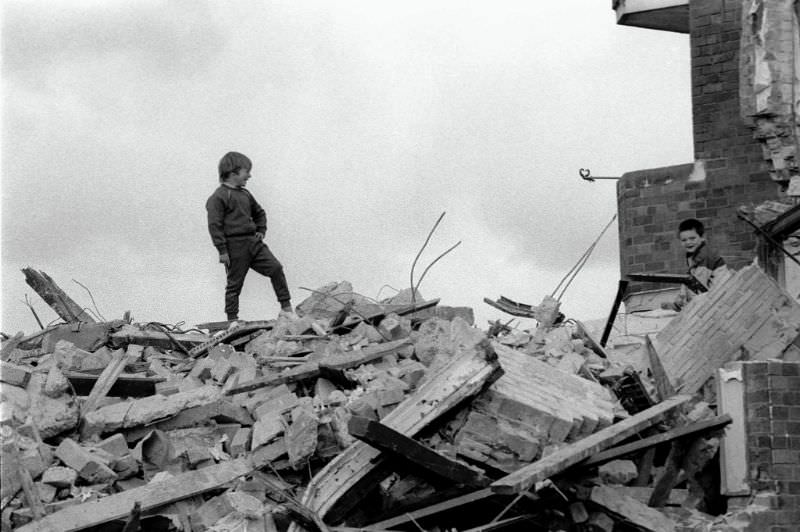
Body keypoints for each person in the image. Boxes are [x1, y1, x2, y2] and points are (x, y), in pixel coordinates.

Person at [206, 151, 293, 321]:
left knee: (276, 268)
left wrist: (261, 230)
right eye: (246, 172)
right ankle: (232, 320)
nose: (250, 175)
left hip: (254, 243)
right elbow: (214, 226)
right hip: (234, 246)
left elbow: (260, 213)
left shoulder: (245, 194)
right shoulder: (218, 197)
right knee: (234, 285)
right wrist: (222, 250)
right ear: (233, 173)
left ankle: (287, 309)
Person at [666, 218, 728, 310]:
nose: (688, 242)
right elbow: (691, 275)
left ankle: (686, 306)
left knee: (693, 286)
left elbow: (699, 283)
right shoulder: (693, 253)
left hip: (721, 294)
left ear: (702, 237)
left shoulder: (705, 256)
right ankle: (681, 303)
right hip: (709, 289)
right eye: (684, 240)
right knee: (687, 281)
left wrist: (691, 304)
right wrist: (682, 295)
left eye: (692, 238)